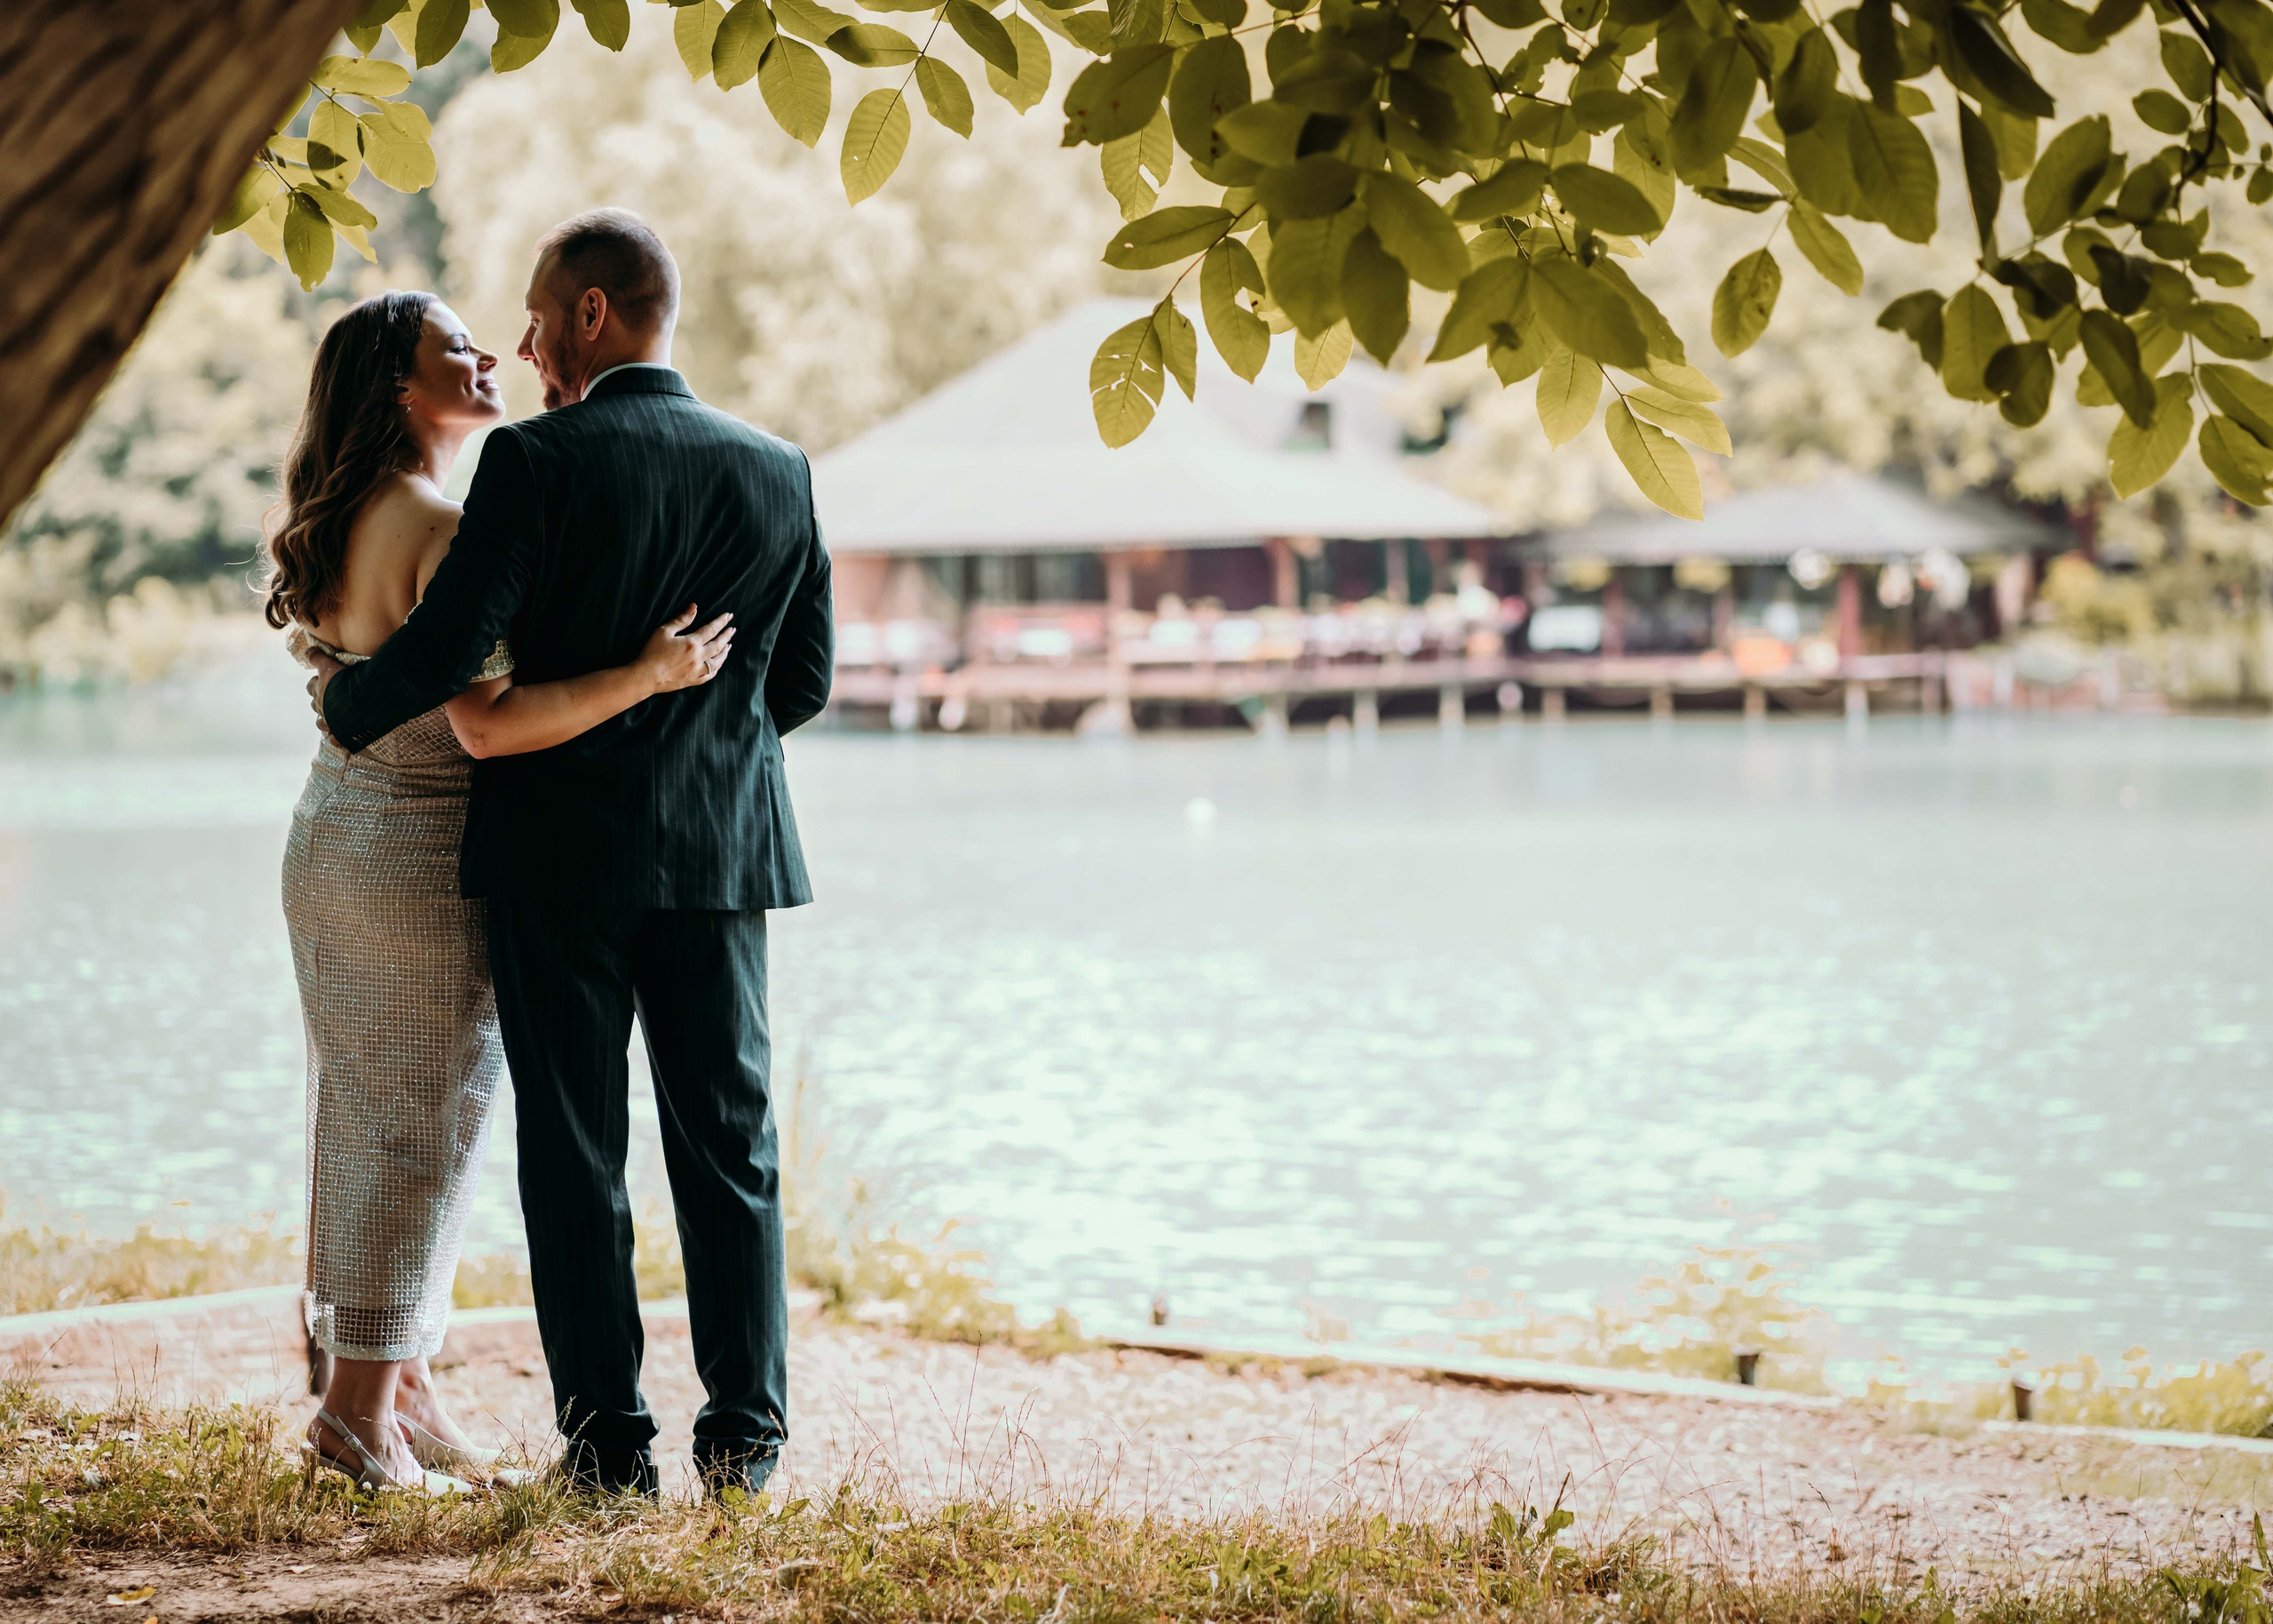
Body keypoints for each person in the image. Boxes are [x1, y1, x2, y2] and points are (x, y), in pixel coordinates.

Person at [307, 210, 834, 1499]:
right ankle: (745, 1449)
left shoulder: (532, 463)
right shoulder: (779, 467)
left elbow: (448, 647)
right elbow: (804, 683)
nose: (530, 348)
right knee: (732, 1153)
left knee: (575, 1157)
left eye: (540, 323)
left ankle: (607, 1453)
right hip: (718, 860)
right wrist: (699, 745)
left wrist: (348, 702)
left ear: (591, 314)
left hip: (554, 862)